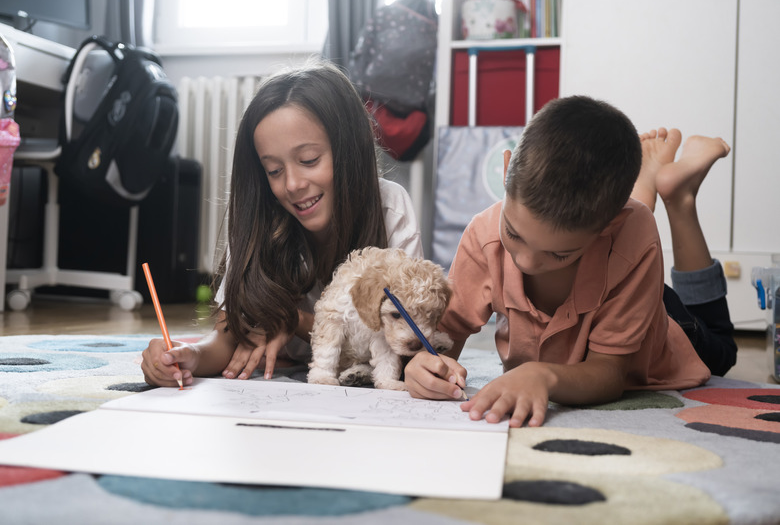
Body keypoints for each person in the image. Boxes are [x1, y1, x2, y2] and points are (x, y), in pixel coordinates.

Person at [404, 95, 737, 428]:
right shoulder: (484, 235)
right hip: (614, 265)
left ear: (609, 225)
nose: (526, 262)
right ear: (505, 174)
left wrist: (543, 375)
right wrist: (425, 364)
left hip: (657, 313)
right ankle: (645, 186)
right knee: (630, 229)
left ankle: (679, 199)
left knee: (721, 351)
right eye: (515, 234)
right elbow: (445, 338)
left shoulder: (631, 237)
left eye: (558, 254)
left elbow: (609, 374)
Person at [141, 60, 423, 387]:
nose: (291, 184)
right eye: (274, 170)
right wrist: (188, 357)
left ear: (349, 151)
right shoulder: (263, 214)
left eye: (308, 161)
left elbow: (401, 345)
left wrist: (293, 321)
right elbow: (226, 339)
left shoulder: (391, 208)